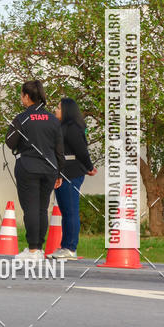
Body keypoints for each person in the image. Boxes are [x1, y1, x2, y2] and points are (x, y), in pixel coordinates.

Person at [5, 80, 64, 262]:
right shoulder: (53, 120)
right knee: (42, 208)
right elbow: (59, 149)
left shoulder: (22, 118)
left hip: (28, 166)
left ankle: (32, 250)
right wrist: (60, 173)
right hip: (50, 168)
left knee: (30, 208)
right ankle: (38, 248)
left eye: (21, 94)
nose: (21, 98)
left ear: (27, 96)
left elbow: (10, 142)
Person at [48, 97, 97, 260]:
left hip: (71, 173)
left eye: (59, 107)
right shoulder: (61, 127)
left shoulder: (73, 128)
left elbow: (81, 151)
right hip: (62, 172)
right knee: (65, 211)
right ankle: (65, 246)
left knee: (70, 211)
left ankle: (70, 247)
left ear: (67, 110)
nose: (56, 110)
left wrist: (89, 167)